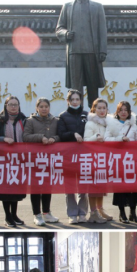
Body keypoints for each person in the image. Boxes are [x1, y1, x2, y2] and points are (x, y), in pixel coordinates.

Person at [55, 0, 107, 108]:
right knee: (75, 87)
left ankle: (94, 111)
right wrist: (66, 34)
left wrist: (102, 50)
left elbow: (102, 30)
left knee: (93, 84)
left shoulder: (97, 7)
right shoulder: (67, 6)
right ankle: (77, 111)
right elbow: (59, 28)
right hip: (74, 51)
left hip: (92, 51)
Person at [0, 96, 27, 227]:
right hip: (4, 161)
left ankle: (14, 215)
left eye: (15, 104)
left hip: (19, 160)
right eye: (10, 104)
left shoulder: (24, 120)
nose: (13, 107)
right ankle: (7, 216)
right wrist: (3, 139)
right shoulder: (0, 121)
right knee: (6, 190)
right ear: (6, 106)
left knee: (16, 189)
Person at [22, 97, 60, 226]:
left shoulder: (55, 121)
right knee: (36, 187)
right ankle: (37, 214)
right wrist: (40, 138)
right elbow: (25, 136)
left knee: (47, 186)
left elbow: (60, 135)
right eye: (41, 106)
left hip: (50, 158)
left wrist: (54, 138)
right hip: (35, 158)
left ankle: (47, 213)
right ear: (37, 108)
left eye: (46, 106)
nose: (44, 109)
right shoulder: (30, 121)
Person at [106, 101, 137, 223]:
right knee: (120, 187)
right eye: (121, 110)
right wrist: (120, 139)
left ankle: (133, 213)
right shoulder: (112, 124)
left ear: (129, 112)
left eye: (125, 110)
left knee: (134, 187)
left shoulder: (133, 125)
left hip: (132, 160)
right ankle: (122, 214)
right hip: (118, 160)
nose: (123, 112)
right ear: (117, 111)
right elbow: (106, 139)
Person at [57, 89, 89, 224]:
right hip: (69, 155)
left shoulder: (87, 115)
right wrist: (73, 134)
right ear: (68, 101)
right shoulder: (63, 116)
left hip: (84, 155)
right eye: (72, 99)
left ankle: (82, 213)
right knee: (69, 186)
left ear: (81, 100)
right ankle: (72, 214)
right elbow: (60, 135)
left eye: (77, 99)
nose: (75, 102)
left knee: (83, 186)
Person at [83, 98, 111, 223]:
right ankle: (93, 212)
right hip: (93, 159)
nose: (101, 110)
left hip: (105, 158)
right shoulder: (90, 123)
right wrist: (96, 137)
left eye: (104, 108)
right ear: (94, 109)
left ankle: (100, 209)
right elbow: (86, 140)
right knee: (93, 187)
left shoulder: (109, 122)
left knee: (102, 186)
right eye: (99, 108)